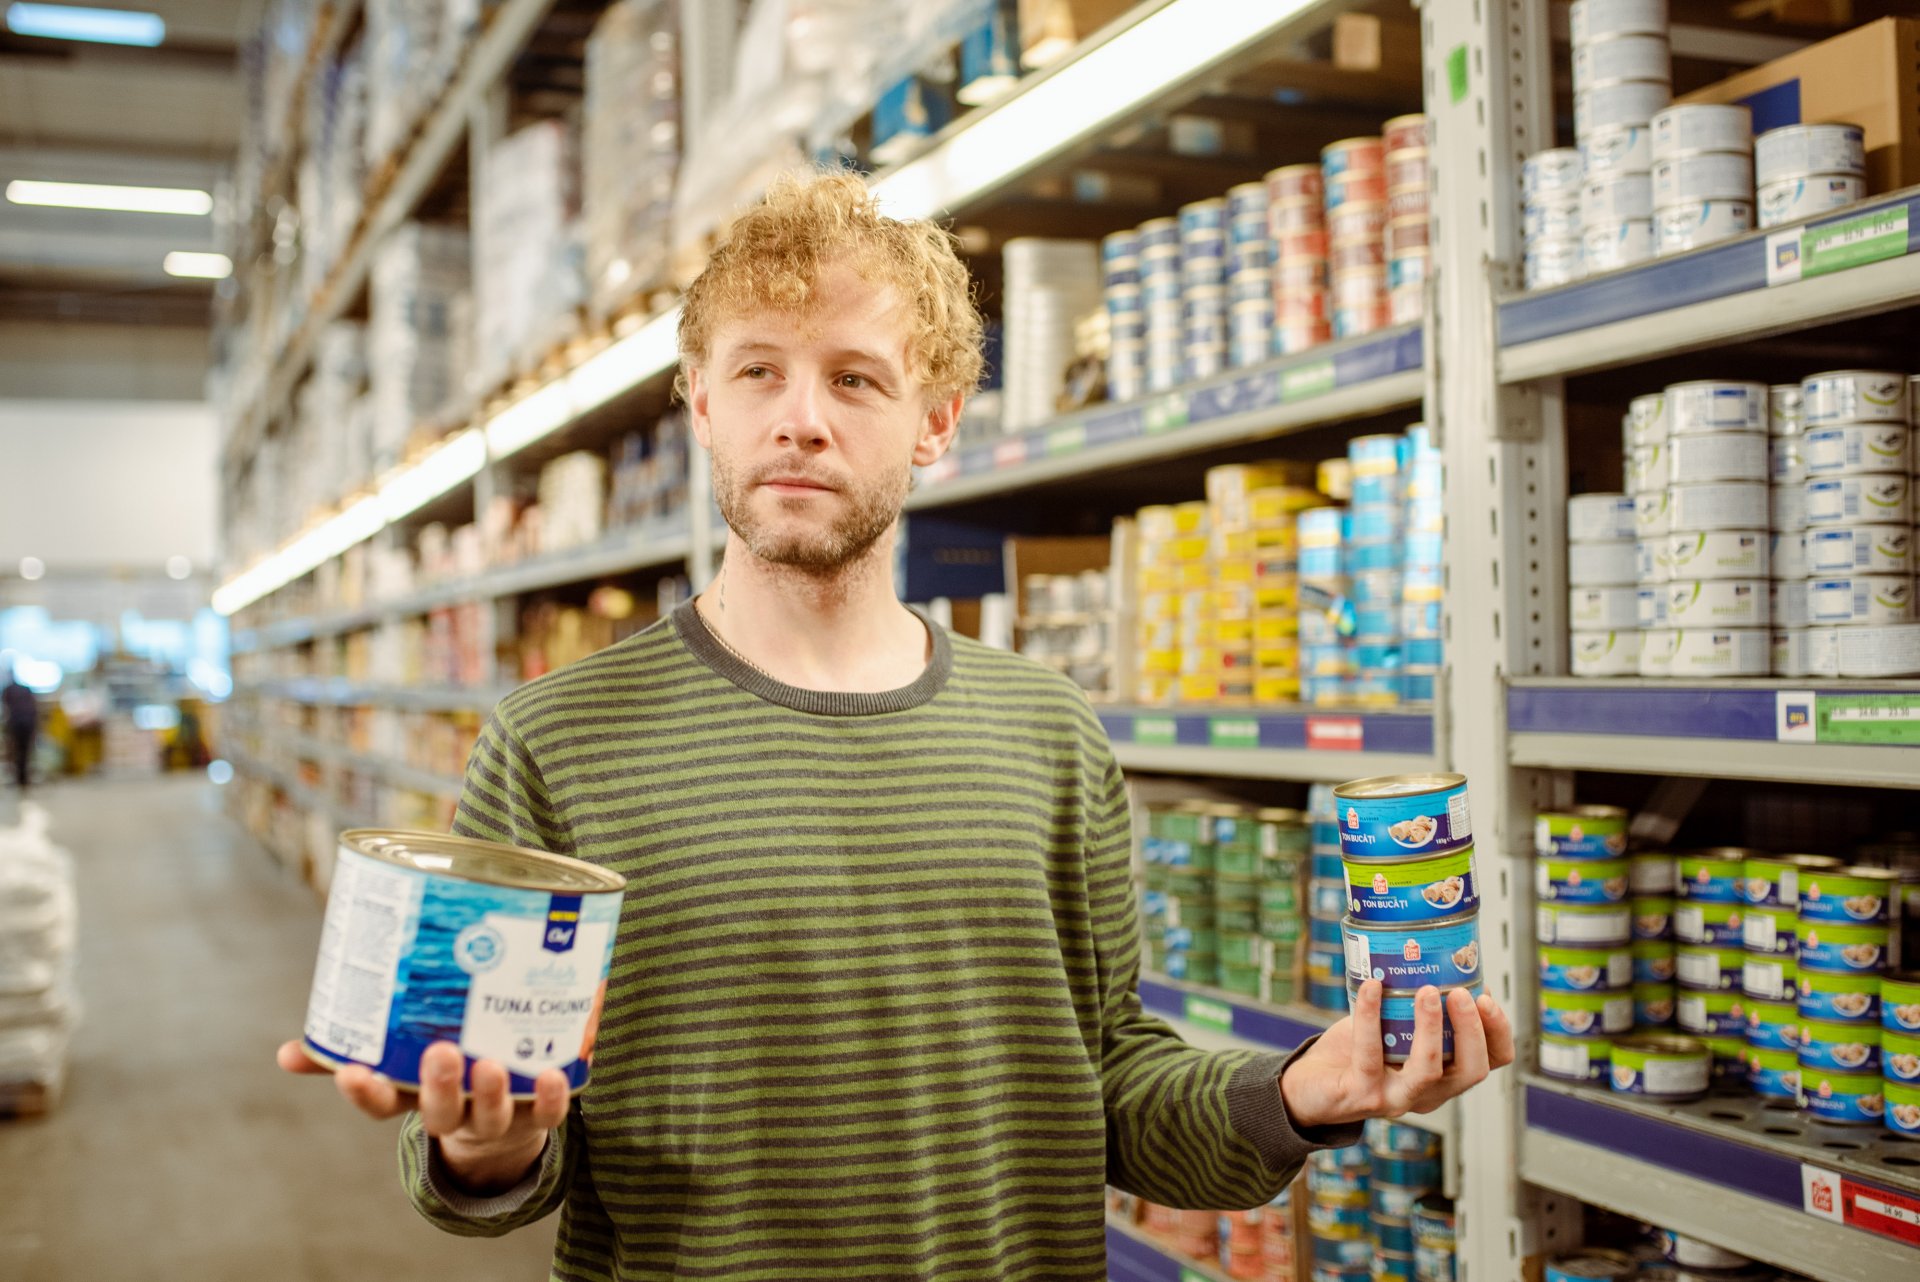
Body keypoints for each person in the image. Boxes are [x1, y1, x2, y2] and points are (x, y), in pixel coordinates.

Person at [280, 171, 1513, 1280]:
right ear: (700, 403)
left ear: (937, 421)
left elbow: (1115, 1092)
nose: (800, 417)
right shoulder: (555, 741)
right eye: (759, 368)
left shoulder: (1046, 732)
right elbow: (493, 1138)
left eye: (855, 378)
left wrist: (1304, 1090)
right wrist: (483, 1148)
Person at [2, 668, 37, 791]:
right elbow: (34, 707)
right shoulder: (25, 689)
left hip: (17, 723)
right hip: (27, 723)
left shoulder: (7, 690)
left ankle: (21, 779)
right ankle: (23, 779)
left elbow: (6, 709)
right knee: (25, 752)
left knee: (17, 752)